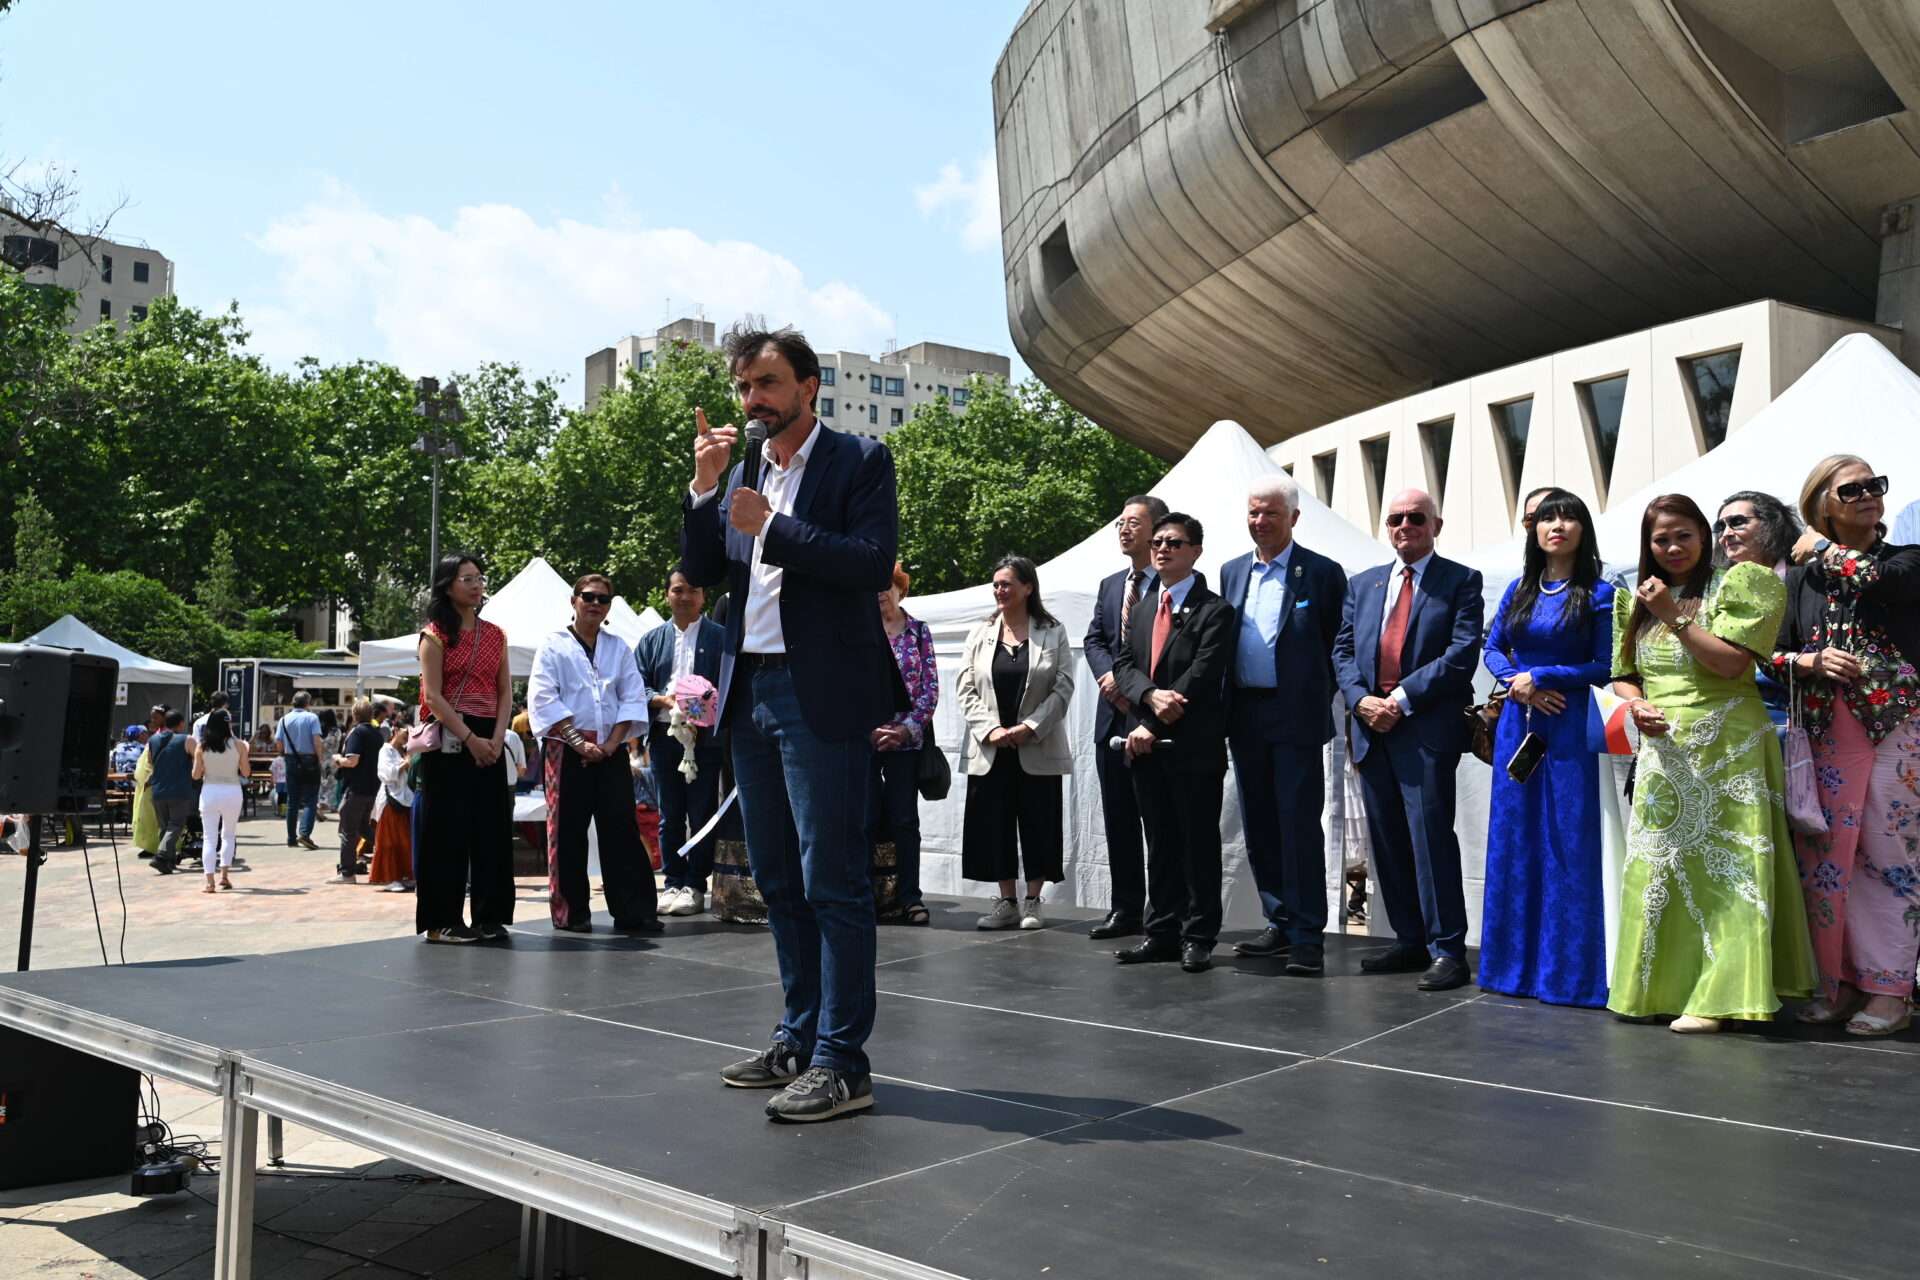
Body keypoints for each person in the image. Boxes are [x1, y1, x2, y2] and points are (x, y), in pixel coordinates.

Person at [681, 321, 905, 1124]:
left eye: (767, 384)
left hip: (821, 697)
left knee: (831, 880)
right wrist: (706, 495)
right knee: (775, 880)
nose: (753, 401)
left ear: (809, 388)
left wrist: (769, 526)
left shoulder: (858, 461)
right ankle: (798, 1036)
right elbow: (703, 573)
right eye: (744, 388)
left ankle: (845, 1059)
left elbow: (870, 562)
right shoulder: (743, 468)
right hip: (751, 695)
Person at [1608, 495, 1815, 1032]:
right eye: (1661, 539)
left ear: (1703, 536)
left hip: (1730, 748)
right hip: (1663, 750)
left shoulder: (1745, 583)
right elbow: (1623, 673)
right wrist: (1636, 703)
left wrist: (1672, 617)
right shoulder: (1631, 599)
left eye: (1684, 535)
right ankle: (1659, 987)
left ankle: (1721, 997)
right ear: (1648, 546)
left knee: (1730, 873)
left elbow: (1730, 664)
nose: (1673, 547)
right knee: (1660, 872)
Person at [1774, 457, 1920, 1036]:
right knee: (1828, 860)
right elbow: (1771, 652)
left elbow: (1881, 583)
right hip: (1825, 729)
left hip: (1895, 728)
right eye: (1852, 489)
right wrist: (1808, 660)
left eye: (1874, 486)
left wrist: (1821, 549)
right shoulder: (1800, 580)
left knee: (1891, 858)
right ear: (1824, 505)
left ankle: (1890, 991)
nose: (1868, 496)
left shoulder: (1906, 559)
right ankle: (1841, 984)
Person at [1333, 488, 1484, 992]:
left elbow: (1462, 653)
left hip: (1422, 729)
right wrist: (1360, 701)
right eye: (1395, 518)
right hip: (1370, 729)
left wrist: (1399, 699)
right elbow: (1343, 651)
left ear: (1435, 526)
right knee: (1389, 841)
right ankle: (1409, 939)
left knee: (1429, 840)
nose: (1404, 526)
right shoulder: (1364, 584)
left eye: (1415, 518)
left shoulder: (1461, 581)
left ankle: (1448, 950)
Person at [1479, 488, 1615, 1008]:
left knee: (1567, 840)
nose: (1556, 525)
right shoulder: (1518, 588)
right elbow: (1491, 647)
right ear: (1534, 530)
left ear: (1583, 529)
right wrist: (1517, 679)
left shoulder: (1600, 592)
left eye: (1568, 517)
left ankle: (1568, 975)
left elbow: (1605, 666)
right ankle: (1510, 970)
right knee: (1516, 840)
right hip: (1521, 722)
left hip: (1568, 725)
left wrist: (1545, 674)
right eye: (1547, 517)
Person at [1220, 473, 1349, 975]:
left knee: (1297, 825)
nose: (1260, 521)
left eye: (1270, 513)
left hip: (1295, 718)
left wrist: (1326, 698)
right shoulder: (1232, 572)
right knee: (1260, 826)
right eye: (1254, 512)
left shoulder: (1320, 572)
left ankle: (1307, 935)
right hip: (1245, 715)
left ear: (1293, 517)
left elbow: (1340, 645)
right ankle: (1278, 919)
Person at [1111, 513, 1237, 973]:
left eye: (1175, 543)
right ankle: (1160, 931)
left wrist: (1159, 716)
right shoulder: (1143, 605)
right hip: (1145, 745)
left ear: (1196, 551)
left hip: (1192, 747)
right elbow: (1124, 663)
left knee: (1197, 844)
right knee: (1159, 842)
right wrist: (1147, 696)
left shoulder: (1215, 610)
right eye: (1158, 542)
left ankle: (1198, 935)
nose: (1162, 549)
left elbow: (1202, 675)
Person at [528, 572, 657, 933]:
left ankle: (634, 910)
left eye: (603, 599)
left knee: (621, 828)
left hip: (610, 746)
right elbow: (543, 697)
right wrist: (576, 739)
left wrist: (612, 744)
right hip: (565, 748)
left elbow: (632, 697)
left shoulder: (618, 648)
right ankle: (572, 912)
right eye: (588, 596)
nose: (595, 604)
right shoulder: (553, 645)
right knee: (567, 831)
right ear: (574, 601)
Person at [955, 556, 1072, 930]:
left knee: (1039, 821)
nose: (999, 591)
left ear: (1027, 587)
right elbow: (965, 687)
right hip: (991, 748)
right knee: (994, 824)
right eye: (996, 585)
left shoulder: (1052, 632)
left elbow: (1063, 687)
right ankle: (1006, 901)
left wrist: (1030, 727)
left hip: (1035, 746)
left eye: (1006, 584)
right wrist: (990, 729)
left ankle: (1033, 901)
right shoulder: (981, 632)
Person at [415, 553, 516, 945]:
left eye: (479, 578)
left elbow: (505, 691)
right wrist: (472, 739)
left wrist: (496, 737)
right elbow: (433, 697)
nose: (476, 586)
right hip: (449, 738)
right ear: (447, 585)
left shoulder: (496, 635)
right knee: (447, 832)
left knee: (491, 829)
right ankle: (442, 921)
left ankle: (491, 916)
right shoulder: (435, 635)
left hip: (490, 735)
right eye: (467, 579)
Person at [1081, 494, 1167, 941]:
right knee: (1118, 819)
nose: (1124, 529)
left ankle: (1164, 912)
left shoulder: (1173, 583)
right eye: (1120, 522)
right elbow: (1095, 637)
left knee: (1157, 820)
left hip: (1151, 719)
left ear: (1157, 528)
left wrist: (1132, 689)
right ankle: (1125, 908)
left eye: (1134, 522)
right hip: (1109, 717)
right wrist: (1107, 678)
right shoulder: (1112, 584)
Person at [636, 569, 725, 917]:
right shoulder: (651, 640)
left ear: (703, 596)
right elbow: (636, 687)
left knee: (701, 812)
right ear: (667, 594)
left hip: (706, 740)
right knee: (669, 814)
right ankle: (672, 881)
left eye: (693, 590)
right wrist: (661, 700)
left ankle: (695, 884)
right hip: (664, 736)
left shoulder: (720, 638)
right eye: (678, 590)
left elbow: (731, 687)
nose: (685, 596)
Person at [872, 564, 938, 925]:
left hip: (906, 742)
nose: (881, 592)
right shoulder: (860, 631)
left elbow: (930, 690)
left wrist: (906, 729)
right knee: (862, 818)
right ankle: (864, 896)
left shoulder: (918, 633)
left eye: (887, 586)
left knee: (903, 821)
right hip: (863, 741)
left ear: (901, 590)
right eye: (874, 587)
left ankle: (910, 897)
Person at [1715, 490, 1803, 733]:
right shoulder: (1714, 589)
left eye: (1737, 522)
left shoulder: (1804, 578)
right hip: (1734, 719)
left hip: (1795, 718)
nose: (1726, 534)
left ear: (1771, 524)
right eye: (1720, 526)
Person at [325, 700, 384, 885]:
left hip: (356, 789)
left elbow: (352, 761)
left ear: (354, 714)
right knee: (362, 827)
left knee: (347, 831)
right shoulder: (377, 734)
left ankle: (347, 873)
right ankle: (389, 850)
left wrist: (337, 759)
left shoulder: (358, 732)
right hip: (372, 788)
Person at [191, 709, 248, 893]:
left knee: (209, 837)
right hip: (232, 790)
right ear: (228, 724)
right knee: (228, 834)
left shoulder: (202, 746)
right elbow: (246, 772)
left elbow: (196, 775)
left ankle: (209, 882)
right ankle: (224, 876)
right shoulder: (239, 745)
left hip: (210, 791)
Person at [369, 710, 416, 892]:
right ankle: (389, 877)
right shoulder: (386, 750)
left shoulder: (404, 751)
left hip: (404, 799)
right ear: (396, 730)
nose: (407, 738)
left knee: (404, 840)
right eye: (405, 734)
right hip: (390, 800)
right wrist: (405, 764)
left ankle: (404, 874)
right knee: (388, 841)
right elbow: (386, 774)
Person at [147, 710, 196, 875]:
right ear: (181, 723)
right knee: (176, 825)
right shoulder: (187, 739)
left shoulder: (152, 739)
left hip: (158, 790)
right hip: (179, 790)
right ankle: (161, 856)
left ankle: (168, 862)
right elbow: (198, 761)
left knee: (164, 826)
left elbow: (150, 761)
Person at [275, 692, 323, 850]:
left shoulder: (283, 719)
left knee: (292, 801)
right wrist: (319, 759)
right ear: (307, 703)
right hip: (309, 759)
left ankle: (291, 838)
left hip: (290, 760)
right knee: (310, 798)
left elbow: (279, 743)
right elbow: (317, 741)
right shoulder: (312, 718)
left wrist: (286, 754)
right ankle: (305, 833)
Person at [316, 709, 342, 818]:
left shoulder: (319, 730)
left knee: (322, 785)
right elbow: (335, 744)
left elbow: (320, 744)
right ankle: (322, 807)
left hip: (320, 760)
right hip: (332, 761)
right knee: (330, 786)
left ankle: (320, 808)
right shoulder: (336, 731)